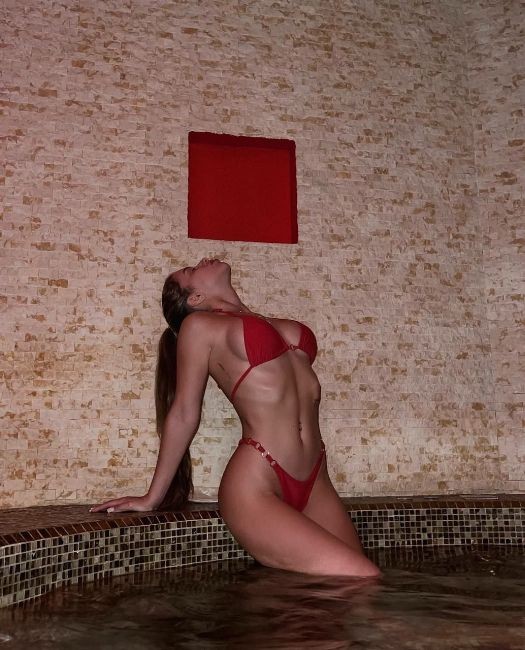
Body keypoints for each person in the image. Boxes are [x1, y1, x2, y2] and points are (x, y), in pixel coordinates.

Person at [90, 258, 380, 578]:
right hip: (257, 479)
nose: (203, 260)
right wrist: (152, 497)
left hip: (316, 480)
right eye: (191, 270)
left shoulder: (269, 323)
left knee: (353, 596)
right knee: (363, 577)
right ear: (195, 298)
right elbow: (185, 412)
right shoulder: (199, 327)